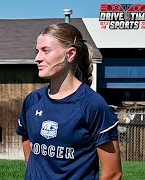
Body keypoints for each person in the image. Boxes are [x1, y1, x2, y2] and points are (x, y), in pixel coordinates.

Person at [16, 23, 122, 180]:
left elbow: (113, 173)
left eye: (46, 51)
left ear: (70, 54)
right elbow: (27, 140)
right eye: (37, 51)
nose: (37, 58)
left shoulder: (92, 105)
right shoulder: (32, 101)